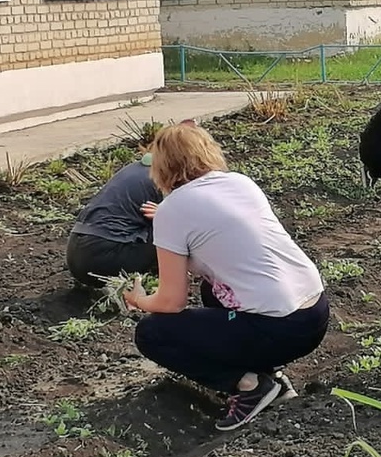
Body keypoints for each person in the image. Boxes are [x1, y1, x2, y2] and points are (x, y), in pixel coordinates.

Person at [123, 123, 329, 431]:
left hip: (280, 328)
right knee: (212, 291)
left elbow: (171, 301)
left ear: (162, 167)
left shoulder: (171, 210)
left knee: (152, 332)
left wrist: (139, 299)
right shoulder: (239, 183)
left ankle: (250, 386)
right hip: (315, 312)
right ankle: (270, 377)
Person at [67, 154, 162, 287]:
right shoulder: (165, 178)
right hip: (108, 258)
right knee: (172, 223)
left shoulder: (136, 169)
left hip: (76, 252)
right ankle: (157, 289)